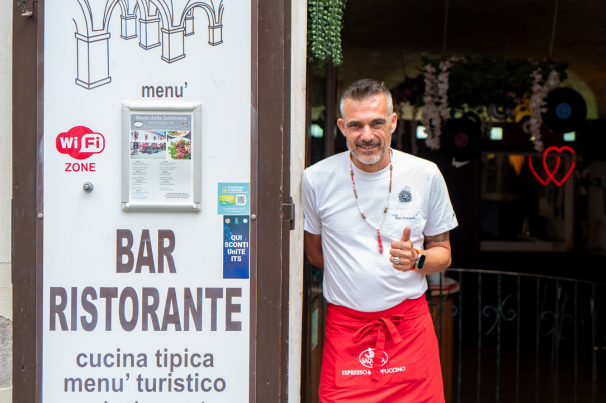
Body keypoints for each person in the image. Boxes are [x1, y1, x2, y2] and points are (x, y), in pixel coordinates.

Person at [302, 79, 458, 403]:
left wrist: (418, 260)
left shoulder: (425, 174)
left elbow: (443, 252)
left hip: (409, 331)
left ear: (393, 122)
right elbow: (316, 254)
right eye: (356, 125)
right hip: (347, 332)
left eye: (377, 123)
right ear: (342, 127)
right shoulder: (316, 179)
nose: (367, 135)